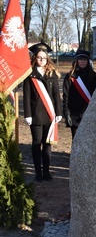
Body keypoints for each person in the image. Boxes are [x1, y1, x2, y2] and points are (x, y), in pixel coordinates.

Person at [23, 42, 62, 181]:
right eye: (39, 57)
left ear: (47, 59)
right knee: (36, 143)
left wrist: (58, 112)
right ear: (34, 58)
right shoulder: (30, 74)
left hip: (49, 114)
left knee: (47, 143)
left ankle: (46, 171)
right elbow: (26, 95)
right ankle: (38, 172)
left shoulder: (52, 74)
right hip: (35, 115)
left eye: (44, 58)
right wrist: (27, 114)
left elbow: (56, 95)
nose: (41, 60)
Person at [63, 50, 96, 138]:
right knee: (76, 140)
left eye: (85, 60)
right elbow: (66, 95)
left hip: (89, 113)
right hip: (74, 113)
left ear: (88, 61)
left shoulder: (93, 76)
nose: (82, 62)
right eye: (80, 59)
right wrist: (66, 113)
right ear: (76, 61)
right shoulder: (70, 76)